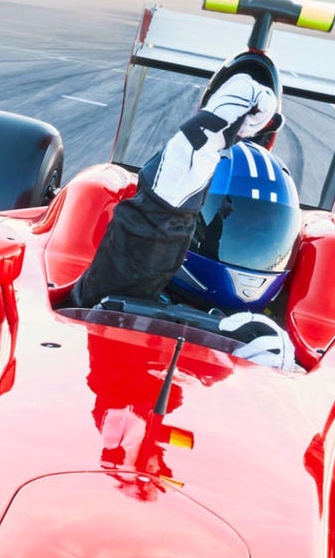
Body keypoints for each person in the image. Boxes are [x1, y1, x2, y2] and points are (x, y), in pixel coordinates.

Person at [70, 66, 299, 369]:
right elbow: (142, 249)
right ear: (189, 218)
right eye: (236, 226)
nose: (252, 243)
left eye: (264, 230)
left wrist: (283, 374)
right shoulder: (114, 288)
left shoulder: (275, 342)